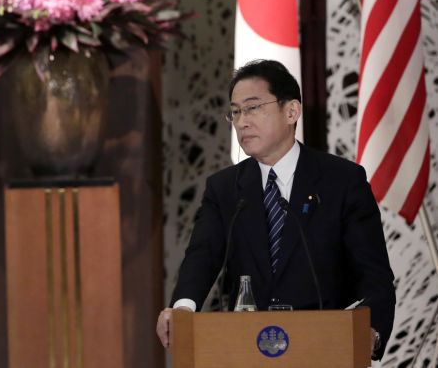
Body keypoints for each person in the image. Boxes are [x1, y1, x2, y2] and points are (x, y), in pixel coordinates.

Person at [156, 60, 395, 360]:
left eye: (253, 107)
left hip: (324, 351)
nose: (242, 121)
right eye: (236, 111)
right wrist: (182, 310)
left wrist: (369, 332)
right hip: (246, 352)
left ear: (291, 111)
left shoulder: (342, 181)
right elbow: (202, 257)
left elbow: (373, 274)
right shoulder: (225, 188)